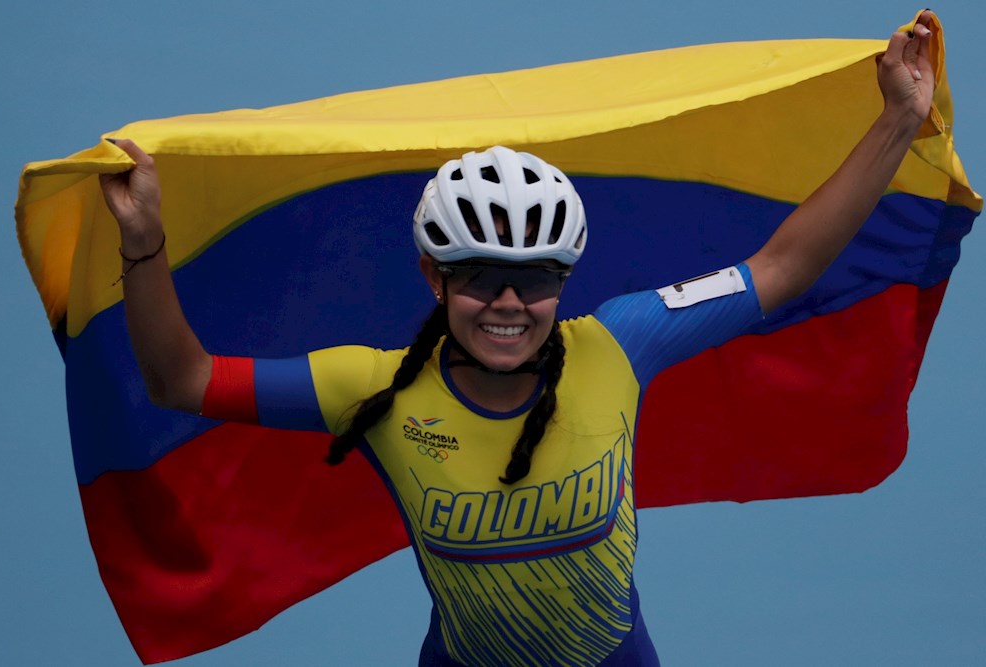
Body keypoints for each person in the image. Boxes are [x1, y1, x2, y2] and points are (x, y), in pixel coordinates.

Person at [98, 14, 935, 667]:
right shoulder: (374, 388)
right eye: (479, 275)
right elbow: (183, 379)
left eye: (534, 278)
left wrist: (900, 119)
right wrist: (143, 244)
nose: (508, 300)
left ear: (564, 281)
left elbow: (782, 266)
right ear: (433, 277)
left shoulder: (623, 342)